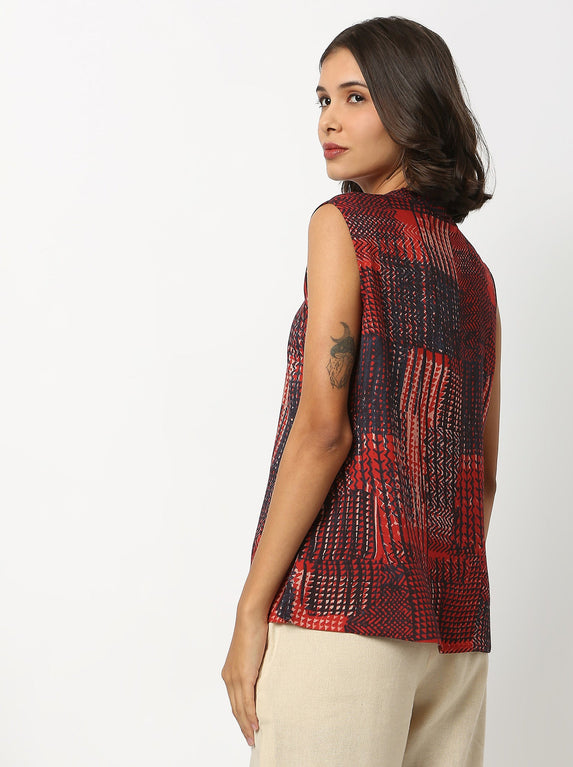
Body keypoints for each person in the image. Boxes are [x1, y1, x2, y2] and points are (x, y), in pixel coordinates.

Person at [221, 16, 501, 767]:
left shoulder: (342, 225)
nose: (329, 121)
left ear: (411, 107)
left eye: (355, 97)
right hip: (452, 631)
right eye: (322, 99)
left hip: (342, 613)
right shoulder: (474, 272)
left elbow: (323, 431)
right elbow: (480, 476)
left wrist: (250, 610)